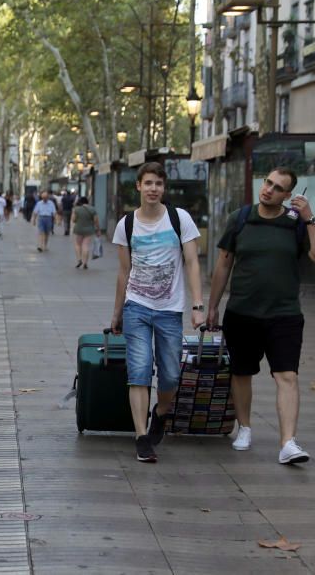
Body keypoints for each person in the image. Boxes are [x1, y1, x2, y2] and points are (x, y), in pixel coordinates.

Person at [207, 167, 315, 465]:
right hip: (242, 311)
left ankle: (288, 442)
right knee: (241, 373)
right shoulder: (240, 218)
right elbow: (224, 264)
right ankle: (245, 428)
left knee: (287, 375)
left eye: (277, 188)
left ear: (288, 196)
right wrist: (211, 306)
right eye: (267, 183)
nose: (269, 190)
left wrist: (309, 218)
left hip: (284, 314)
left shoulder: (295, 224)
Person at [110, 162, 203, 463]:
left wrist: (198, 306)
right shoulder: (126, 225)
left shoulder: (180, 219)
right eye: (148, 183)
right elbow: (124, 273)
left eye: (158, 184)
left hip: (169, 309)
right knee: (139, 370)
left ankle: (160, 414)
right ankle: (141, 436)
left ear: (163, 188)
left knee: (171, 376)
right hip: (136, 306)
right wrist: (117, 313)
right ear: (138, 186)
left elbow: (192, 263)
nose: (153, 189)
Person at [71, 196, 99, 269]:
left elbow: (73, 220)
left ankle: (79, 260)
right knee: (85, 246)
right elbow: (96, 221)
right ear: (87, 202)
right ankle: (85, 263)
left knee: (78, 245)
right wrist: (98, 230)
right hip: (89, 230)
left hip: (78, 229)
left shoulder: (76, 209)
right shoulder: (92, 209)